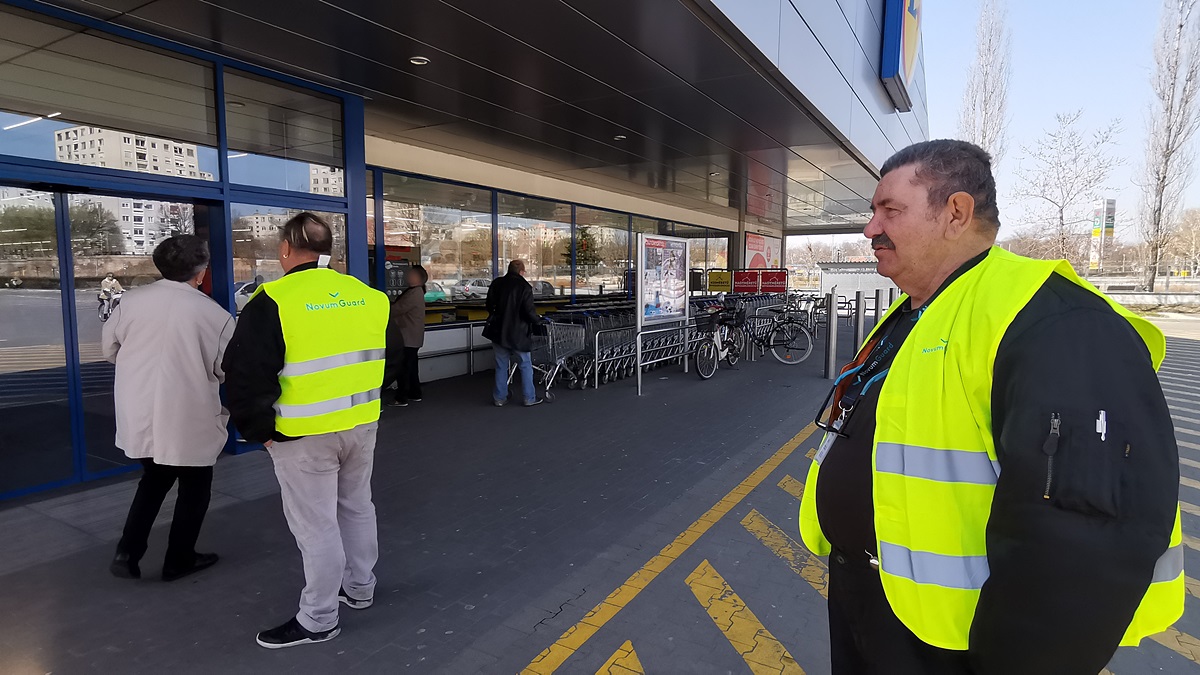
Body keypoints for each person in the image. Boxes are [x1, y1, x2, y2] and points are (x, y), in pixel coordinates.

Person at [798, 139, 1182, 675]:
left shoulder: (1053, 323)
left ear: (955, 212)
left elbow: (1084, 535)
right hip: (875, 604)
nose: (870, 229)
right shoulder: (922, 312)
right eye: (872, 212)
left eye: (890, 211)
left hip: (956, 643)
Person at [222, 213, 401, 649]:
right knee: (357, 507)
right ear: (329, 252)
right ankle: (360, 588)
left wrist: (260, 431)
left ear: (285, 249)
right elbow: (394, 359)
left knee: (316, 526)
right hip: (361, 425)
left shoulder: (273, 300)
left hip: (301, 436)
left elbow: (243, 375)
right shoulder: (370, 297)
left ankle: (319, 619)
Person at [103, 235, 234, 581]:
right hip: (187, 415)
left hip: (139, 410)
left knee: (153, 480)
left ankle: (127, 551)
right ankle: (179, 559)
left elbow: (110, 349)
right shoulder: (215, 315)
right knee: (195, 487)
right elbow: (226, 369)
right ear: (201, 271)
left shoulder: (131, 302)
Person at [484, 260, 543, 407]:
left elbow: (489, 305)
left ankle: (499, 398)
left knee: (501, 365)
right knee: (525, 365)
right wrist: (538, 321)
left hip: (498, 331)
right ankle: (529, 398)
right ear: (521, 272)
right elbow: (529, 312)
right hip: (518, 333)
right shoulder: (524, 287)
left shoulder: (497, 283)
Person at [388, 265, 428, 407]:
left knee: (404, 368)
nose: (407, 276)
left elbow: (397, 309)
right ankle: (414, 393)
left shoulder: (414, 293)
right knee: (410, 367)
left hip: (407, 337)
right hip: (412, 337)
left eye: (411, 274)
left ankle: (402, 397)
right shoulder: (417, 292)